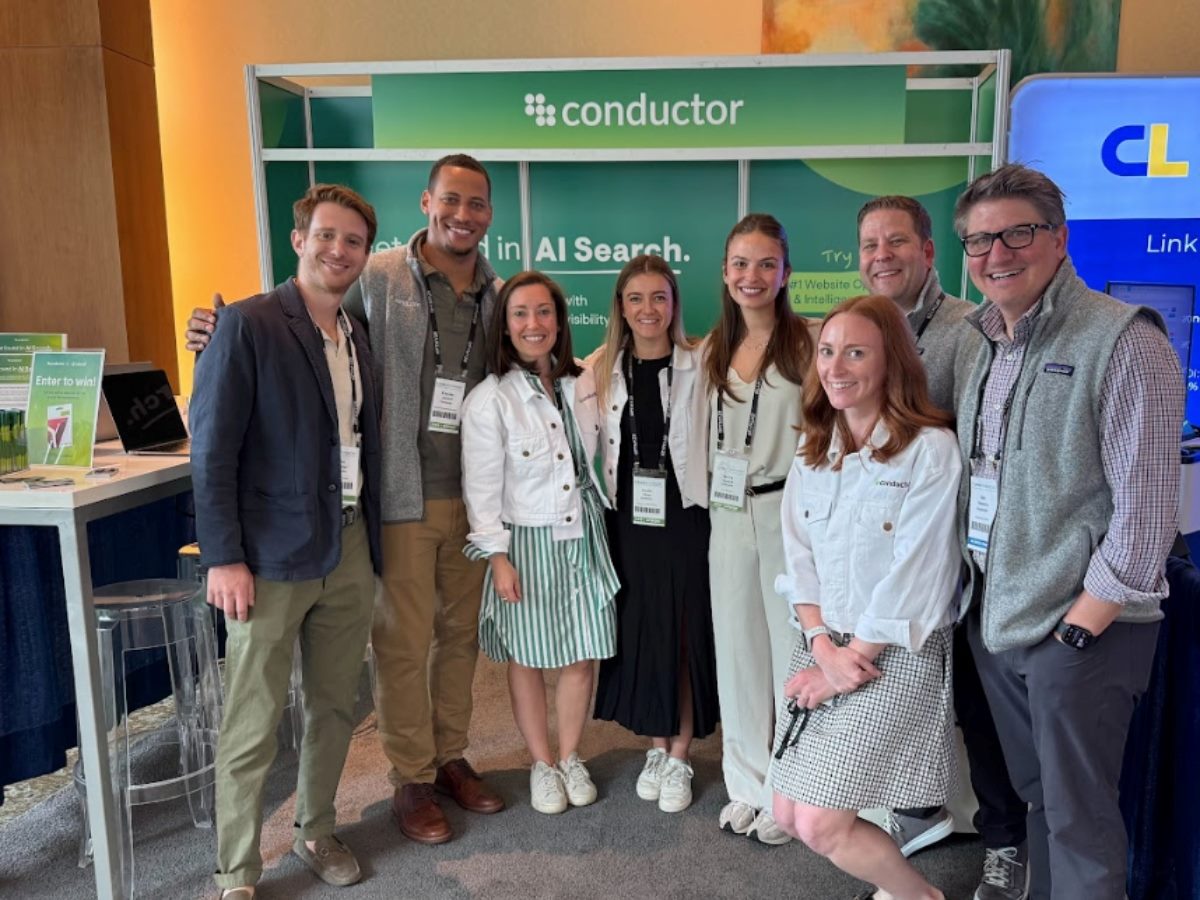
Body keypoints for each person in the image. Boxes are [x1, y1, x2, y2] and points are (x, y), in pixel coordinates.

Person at [187, 154, 506, 845]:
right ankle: (410, 776)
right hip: (397, 499)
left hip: (474, 500)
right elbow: (293, 322)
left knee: (458, 640)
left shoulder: (497, 292)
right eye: (450, 199)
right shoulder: (380, 274)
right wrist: (215, 339)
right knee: (400, 643)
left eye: (476, 203)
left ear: (488, 214)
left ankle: (450, 756)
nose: (462, 214)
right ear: (427, 202)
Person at [951, 163, 1182, 900]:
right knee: (1041, 803)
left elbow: (1145, 519)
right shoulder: (981, 342)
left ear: (1059, 239)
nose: (996, 254)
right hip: (1001, 617)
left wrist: (1077, 632)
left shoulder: (1124, 341)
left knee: (1081, 826)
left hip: (1080, 633)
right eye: (980, 241)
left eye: (1017, 233)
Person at [191, 184, 383, 898]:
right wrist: (224, 556)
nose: (340, 250)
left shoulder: (354, 334)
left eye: (354, 241)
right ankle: (236, 871)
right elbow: (211, 452)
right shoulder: (245, 323)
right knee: (254, 718)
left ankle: (316, 827)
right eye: (327, 235)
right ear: (299, 238)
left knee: (336, 703)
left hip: (349, 542)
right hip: (268, 558)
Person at [858, 195, 1030, 898]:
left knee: (980, 708)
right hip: (890, 556)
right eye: (870, 245)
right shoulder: (863, 327)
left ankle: (1006, 841)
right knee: (905, 689)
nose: (881, 256)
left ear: (930, 252)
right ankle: (915, 807)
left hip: (964, 556)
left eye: (896, 242)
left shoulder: (971, 328)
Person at [771, 294, 962, 900]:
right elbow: (797, 560)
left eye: (856, 352)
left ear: (891, 363)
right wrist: (821, 646)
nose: (836, 367)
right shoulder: (814, 452)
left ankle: (917, 897)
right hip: (826, 646)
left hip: (893, 652)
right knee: (786, 814)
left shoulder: (929, 450)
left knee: (822, 821)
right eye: (827, 351)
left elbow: (918, 575)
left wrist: (844, 662)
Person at [460, 270, 619, 814]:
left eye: (544, 312)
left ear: (560, 321)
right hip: (525, 540)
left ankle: (571, 755)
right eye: (521, 314)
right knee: (527, 658)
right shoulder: (490, 399)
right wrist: (498, 559)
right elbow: (481, 488)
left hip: (583, 532)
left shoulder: (586, 381)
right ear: (504, 328)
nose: (535, 324)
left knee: (580, 653)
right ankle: (542, 764)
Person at [682, 213, 813, 845]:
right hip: (728, 515)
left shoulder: (809, 344)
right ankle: (746, 784)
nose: (751, 276)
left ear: (786, 272)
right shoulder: (711, 349)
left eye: (766, 263)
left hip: (788, 511)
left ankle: (790, 792)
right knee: (735, 653)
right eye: (740, 264)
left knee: (791, 656)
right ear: (725, 273)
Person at [588, 255, 719, 814]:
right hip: (629, 523)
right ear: (621, 306)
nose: (648, 309)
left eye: (659, 298)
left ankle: (682, 752)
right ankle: (657, 744)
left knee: (684, 631)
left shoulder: (701, 361)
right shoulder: (598, 369)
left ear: (674, 304)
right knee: (642, 630)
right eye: (636, 298)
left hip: (685, 517)